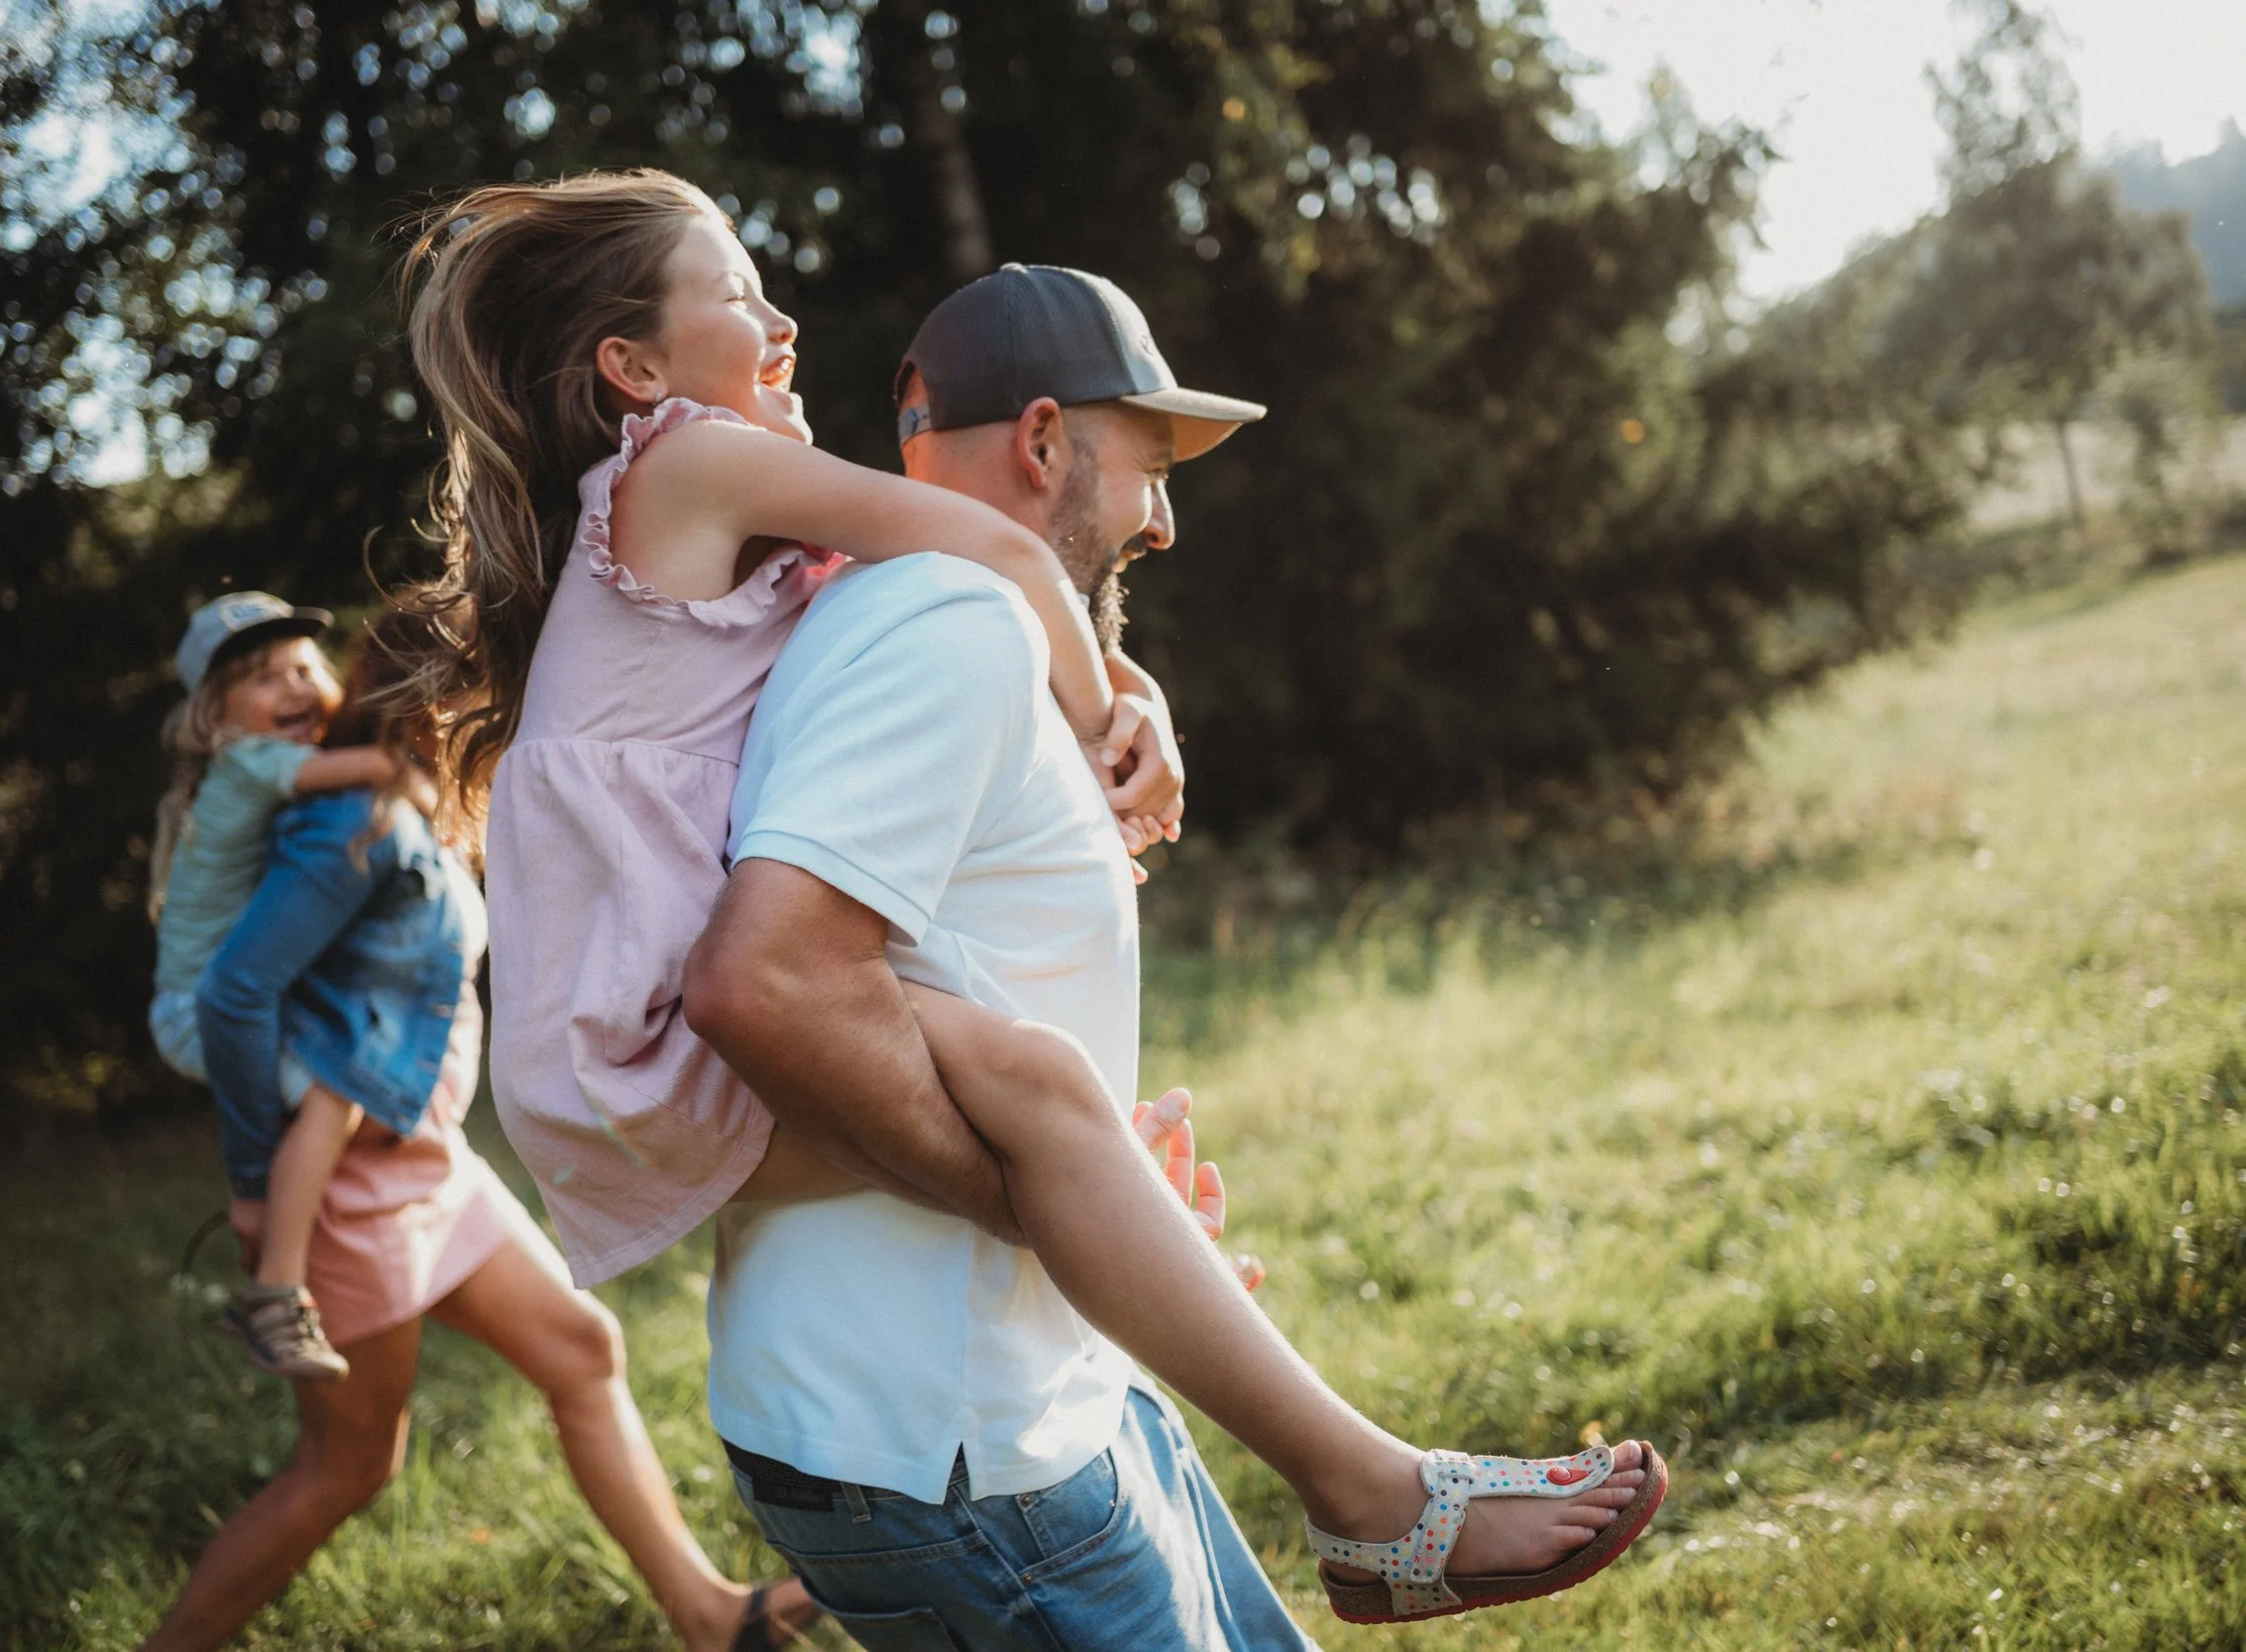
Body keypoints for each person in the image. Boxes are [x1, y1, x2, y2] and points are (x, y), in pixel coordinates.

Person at [392, 166, 1665, 1645]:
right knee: (1046, 1093)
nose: (1167, 522)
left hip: (998, 1373)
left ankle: (1334, 1453)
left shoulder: (795, 581)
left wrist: (1109, 1212)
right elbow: (788, 955)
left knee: (1057, 1108)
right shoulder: (733, 493)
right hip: (933, 1420)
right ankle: (1373, 1490)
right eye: (1150, 464)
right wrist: (1111, 702)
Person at [140, 611, 815, 1652]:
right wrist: (251, 1178)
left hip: (430, 1165)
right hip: (355, 1190)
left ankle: (706, 1611)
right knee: (348, 1467)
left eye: (300, 664)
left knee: (583, 1348)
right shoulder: (339, 821)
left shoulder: (384, 800)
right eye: (481, 688)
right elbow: (233, 996)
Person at [148, 593, 406, 1381]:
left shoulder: (249, 768)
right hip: (202, 1011)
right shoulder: (250, 763)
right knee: (338, 1094)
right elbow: (377, 768)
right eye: (263, 678)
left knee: (342, 1090)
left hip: (207, 999)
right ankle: (276, 1292)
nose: (295, 687)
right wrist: (419, 763)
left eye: (304, 667)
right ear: (214, 715)